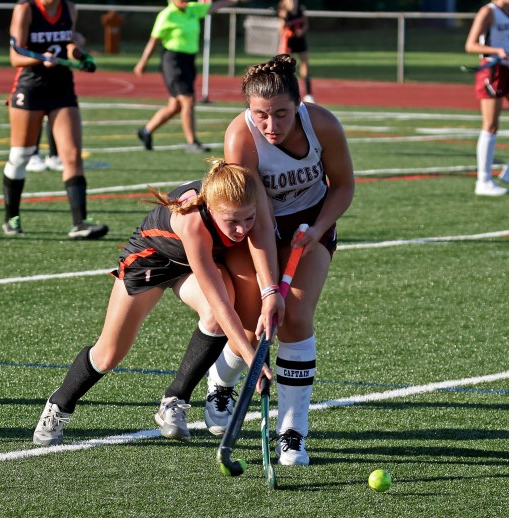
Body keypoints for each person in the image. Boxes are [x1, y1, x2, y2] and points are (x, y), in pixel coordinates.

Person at [160, 54, 355, 466]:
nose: (271, 126)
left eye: (281, 114)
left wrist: (317, 229)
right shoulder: (241, 138)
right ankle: (221, 382)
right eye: (260, 115)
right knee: (255, 316)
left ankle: (293, 434)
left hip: (310, 224)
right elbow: (257, 218)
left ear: (299, 105)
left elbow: (343, 186)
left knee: (296, 315)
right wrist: (269, 290)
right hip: (255, 227)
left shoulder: (323, 125)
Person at [32, 159, 278, 446]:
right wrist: (252, 359)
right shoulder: (192, 221)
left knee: (212, 315)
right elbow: (220, 301)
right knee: (109, 354)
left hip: (192, 264)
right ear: (211, 207)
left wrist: (270, 293)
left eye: (248, 219)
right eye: (232, 222)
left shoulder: (248, 201)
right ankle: (59, 404)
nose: (241, 230)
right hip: (150, 260)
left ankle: (175, 400)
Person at [4, 0, 108, 239]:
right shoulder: (26, 9)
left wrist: (80, 55)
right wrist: (42, 58)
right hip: (31, 87)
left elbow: (68, 42)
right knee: (20, 156)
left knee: (71, 155)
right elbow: (15, 55)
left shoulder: (69, 7)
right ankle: (11, 217)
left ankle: (80, 223)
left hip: (62, 88)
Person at [133, 0, 239, 153]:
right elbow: (153, 41)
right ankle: (192, 143)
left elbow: (213, 6)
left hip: (189, 60)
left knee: (175, 106)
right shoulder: (166, 15)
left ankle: (146, 131)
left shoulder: (192, 9)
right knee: (187, 100)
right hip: (173, 61)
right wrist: (142, 62)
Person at [464, 0, 509, 196]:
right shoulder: (488, 11)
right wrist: (496, 51)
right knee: (491, 125)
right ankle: (483, 180)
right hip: (492, 71)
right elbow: (470, 45)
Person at [278, 0, 313, 103]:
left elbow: (306, 24)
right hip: (288, 40)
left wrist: (302, 31)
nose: (293, 1)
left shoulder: (300, 10)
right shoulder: (284, 12)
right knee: (285, 65)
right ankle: (285, 91)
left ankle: (308, 94)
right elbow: (280, 30)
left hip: (300, 39)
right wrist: (283, 19)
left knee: (304, 64)